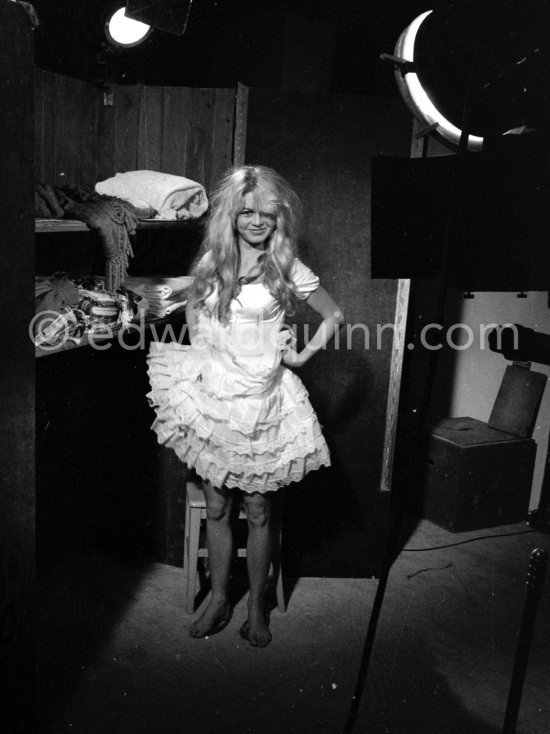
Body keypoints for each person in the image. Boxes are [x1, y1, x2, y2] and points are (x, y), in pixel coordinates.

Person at [147, 165, 344, 647]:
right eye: (246, 212)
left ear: (279, 217)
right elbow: (194, 299)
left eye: (266, 214)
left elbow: (335, 315)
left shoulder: (286, 265)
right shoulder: (217, 258)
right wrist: (200, 347)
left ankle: (256, 605)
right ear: (232, 216)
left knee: (258, 509)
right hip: (219, 397)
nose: (256, 221)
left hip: (264, 400)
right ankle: (217, 598)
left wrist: (299, 354)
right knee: (217, 504)